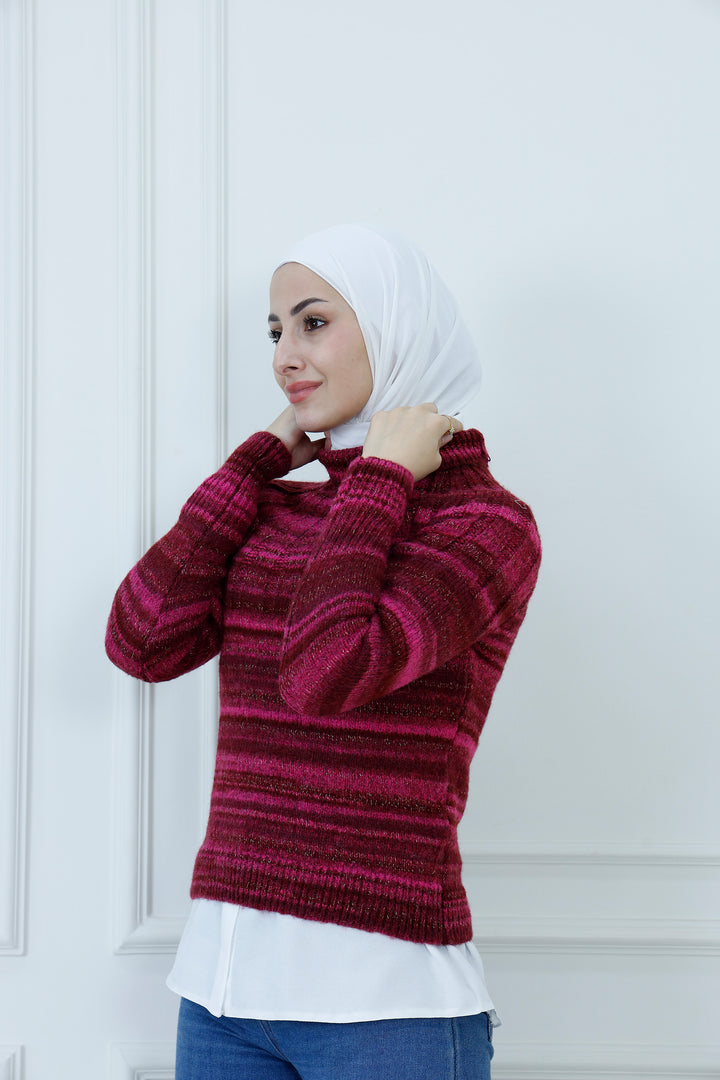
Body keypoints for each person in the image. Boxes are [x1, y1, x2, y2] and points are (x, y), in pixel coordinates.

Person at [106, 223, 542, 1080]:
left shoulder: (486, 526)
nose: (285, 357)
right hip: (221, 998)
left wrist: (379, 476)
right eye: (275, 332)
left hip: (386, 1006)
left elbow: (325, 671)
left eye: (313, 323)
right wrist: (255, 465)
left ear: (394, 328)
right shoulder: (276, 511)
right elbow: (143, 641)